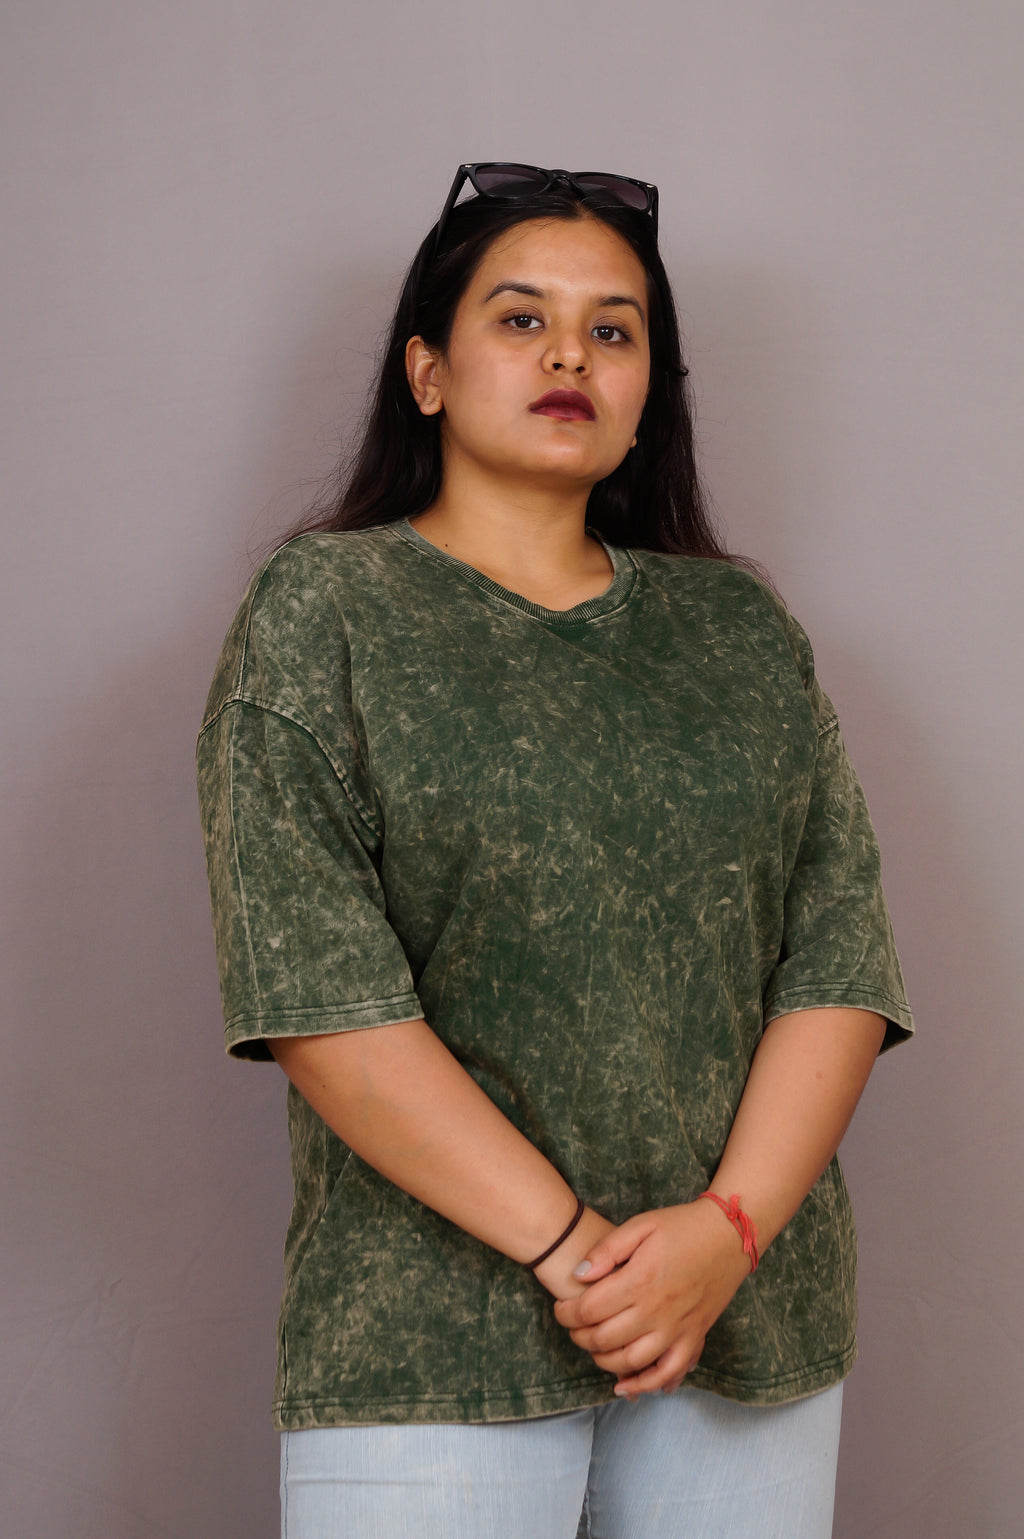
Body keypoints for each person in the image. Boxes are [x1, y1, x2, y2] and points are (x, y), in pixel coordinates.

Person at [197, 164, 913, 1539]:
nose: (572, 353)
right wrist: (582, 1256)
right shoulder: (325, 612)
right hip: (429, 1331)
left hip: (744, 1317)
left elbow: (839, 962)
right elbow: (318, 997)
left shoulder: (741, 636)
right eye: (521, 319)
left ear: (652, 392)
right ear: (427, 370)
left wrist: (726, 1237)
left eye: (616, 328)